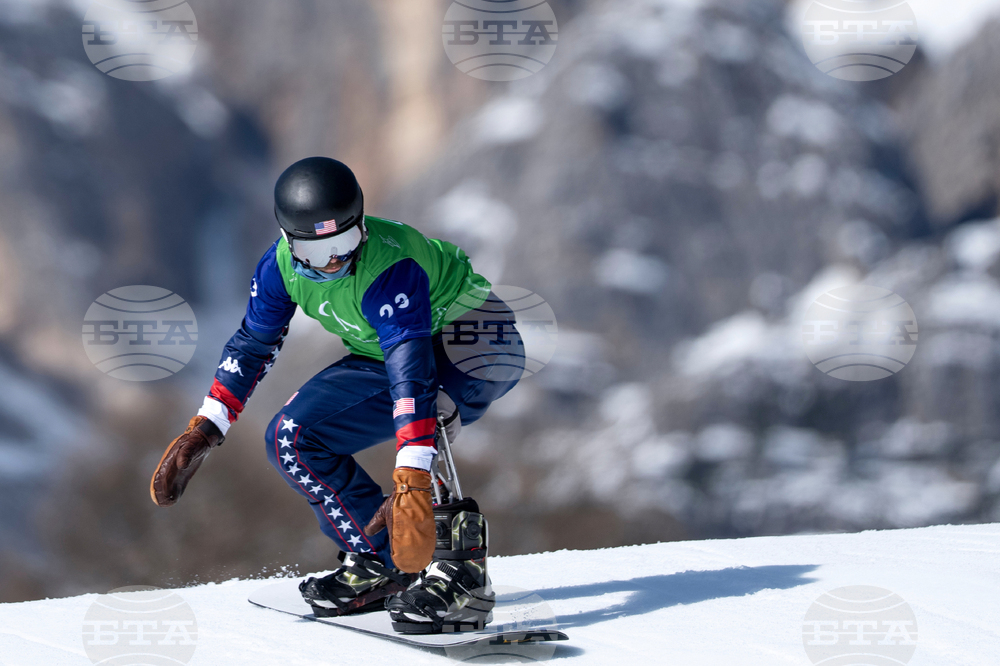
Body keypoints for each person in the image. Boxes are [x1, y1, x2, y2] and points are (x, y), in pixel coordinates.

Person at [149, 157, 523, 633]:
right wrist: (207, 426)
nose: (330, 260)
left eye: (343, 243)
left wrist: (411, 474)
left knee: (432, 410)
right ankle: (382, 561)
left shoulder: (389, 267)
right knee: (292, 438)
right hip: (384, 349)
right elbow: (252, 343)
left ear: (361, 227)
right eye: (313, 248)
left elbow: (413, 381)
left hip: (475, 339)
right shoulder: (280, 268)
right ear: (287, 239)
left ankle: (463, 577)